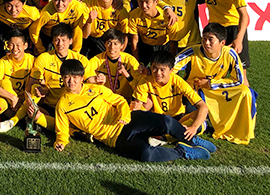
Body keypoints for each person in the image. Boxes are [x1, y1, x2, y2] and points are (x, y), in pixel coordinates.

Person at [54, 59, 217, 162]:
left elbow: (119, 100)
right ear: (63, 78)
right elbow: (62, 129)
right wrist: (60, 141)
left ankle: (191, 139)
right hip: (114, 138)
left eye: (74, 77)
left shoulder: (95, 89)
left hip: (129, 120)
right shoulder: (62, 105)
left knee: (165, 122)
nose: (71, 81)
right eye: (67, 77)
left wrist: (124, 115)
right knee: (148, 155)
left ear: (82, 77)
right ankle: (183, 151)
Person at [174, 23, 256, 144]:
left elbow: (239, 80)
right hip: (193, 93)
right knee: (192, 118)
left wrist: (211, 84)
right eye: (204, 39)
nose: (206, 43)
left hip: (216, 92)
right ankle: (184, 131)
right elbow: (171, 68)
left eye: (210, 39)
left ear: (222, 43)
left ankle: (237, 128)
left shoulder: (230, 54)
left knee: (245, 92)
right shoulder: (192, 52)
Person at [21, 23, 96, 133]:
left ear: (71, 41)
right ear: (52, 41)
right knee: (37, 114)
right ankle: (73, 130)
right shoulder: (44, 58)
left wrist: (100, 82)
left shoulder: (81, 59)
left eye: (64, 40)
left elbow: (92, 84)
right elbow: (30, 84)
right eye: (56, 40)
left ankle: (63, 128)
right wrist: (29, 104)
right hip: (49, 105)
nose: (60, 44)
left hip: (73, 105)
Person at [131, 51, 209, 141]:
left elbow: (203, 106)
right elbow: (137, 106)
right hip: (158, 119)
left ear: (171, 70)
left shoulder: (178, 82)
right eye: (154, 68)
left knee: (200, 122)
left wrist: (194, 128)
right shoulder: (145, 81)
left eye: (162, 70)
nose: (158, 73)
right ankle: (172, 136)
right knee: (142, 107)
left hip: (178, 119)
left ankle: (164, 138)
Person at [0, 28, 34, 129]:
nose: (14, 49)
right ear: (7, 45)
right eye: (11, 44)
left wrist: (21, 100)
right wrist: (12, 97)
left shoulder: (31, 60)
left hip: (24, 102)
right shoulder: (4, 61)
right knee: (3, 91)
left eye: (18, 45)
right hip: (9, 103)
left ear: (25, 45)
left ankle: (21, 119)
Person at [127, 0, 178, 65]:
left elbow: (173, 43)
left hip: (163, 46)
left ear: (156, 2)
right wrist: (136, 64)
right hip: (144, 45)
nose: (143, 5)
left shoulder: (168, 17)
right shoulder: (134, 15)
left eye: (147, 2)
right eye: (140, 2)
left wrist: (170, 63)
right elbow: (134, 41)